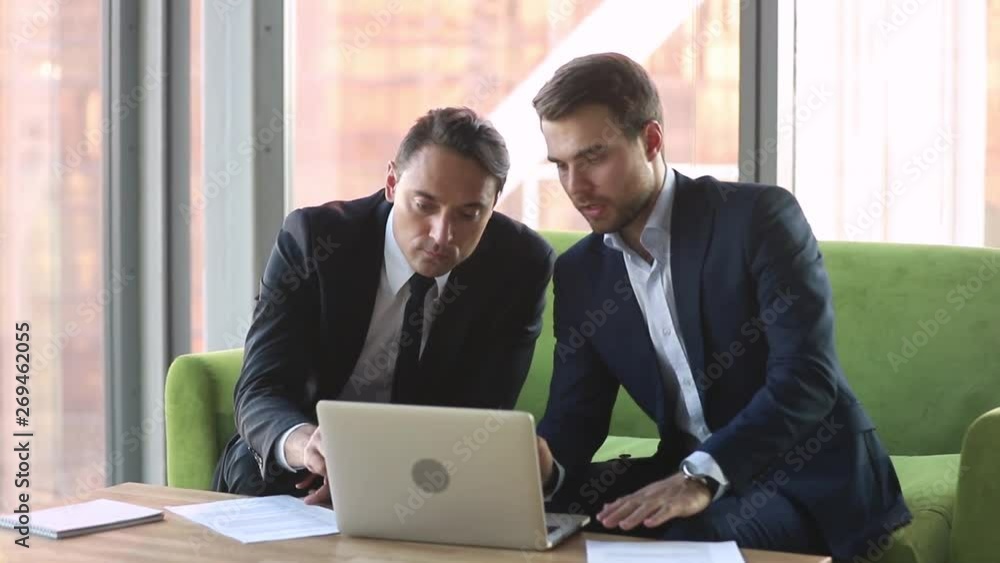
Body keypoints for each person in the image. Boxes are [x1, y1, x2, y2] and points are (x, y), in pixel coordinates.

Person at [531, 53, 910, 560]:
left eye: (594, 157)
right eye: (561, 165)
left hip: (805, 477)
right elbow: (576, 417)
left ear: (650, 141)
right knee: (536, 516)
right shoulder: (582, 272)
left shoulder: (757, 220)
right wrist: (544, 470)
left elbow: (805, 380)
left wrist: (701, 475)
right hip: (683, 469)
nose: (575, 186)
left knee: (690, 540)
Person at [214, 107, 555, 503]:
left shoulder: (519, 266)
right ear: (392, 183)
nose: (442, 235)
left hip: (428, 478)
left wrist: (383, 480)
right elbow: (260, 388)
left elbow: (482, 416)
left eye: (468, 214)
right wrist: (306, 444)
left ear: (494, 203)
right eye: (424, 205)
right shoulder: (315, 241)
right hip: (299, 472)